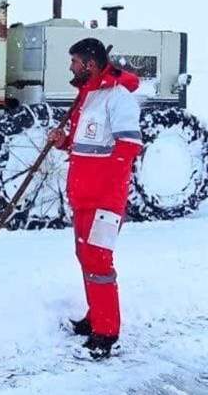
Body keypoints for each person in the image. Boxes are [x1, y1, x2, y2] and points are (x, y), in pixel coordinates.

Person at [47, 38, 142, 360]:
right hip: (83, 196)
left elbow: (128, 147)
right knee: (86, 257)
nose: (71, 67)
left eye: (74, 61)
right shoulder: (88, 97)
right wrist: (63, 141)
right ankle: (95, 317)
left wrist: (104, 186)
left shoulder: (119, 99)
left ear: (89, 63)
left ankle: (106, 333)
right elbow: (84, 143)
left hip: (105, 201)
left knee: (99, 263)